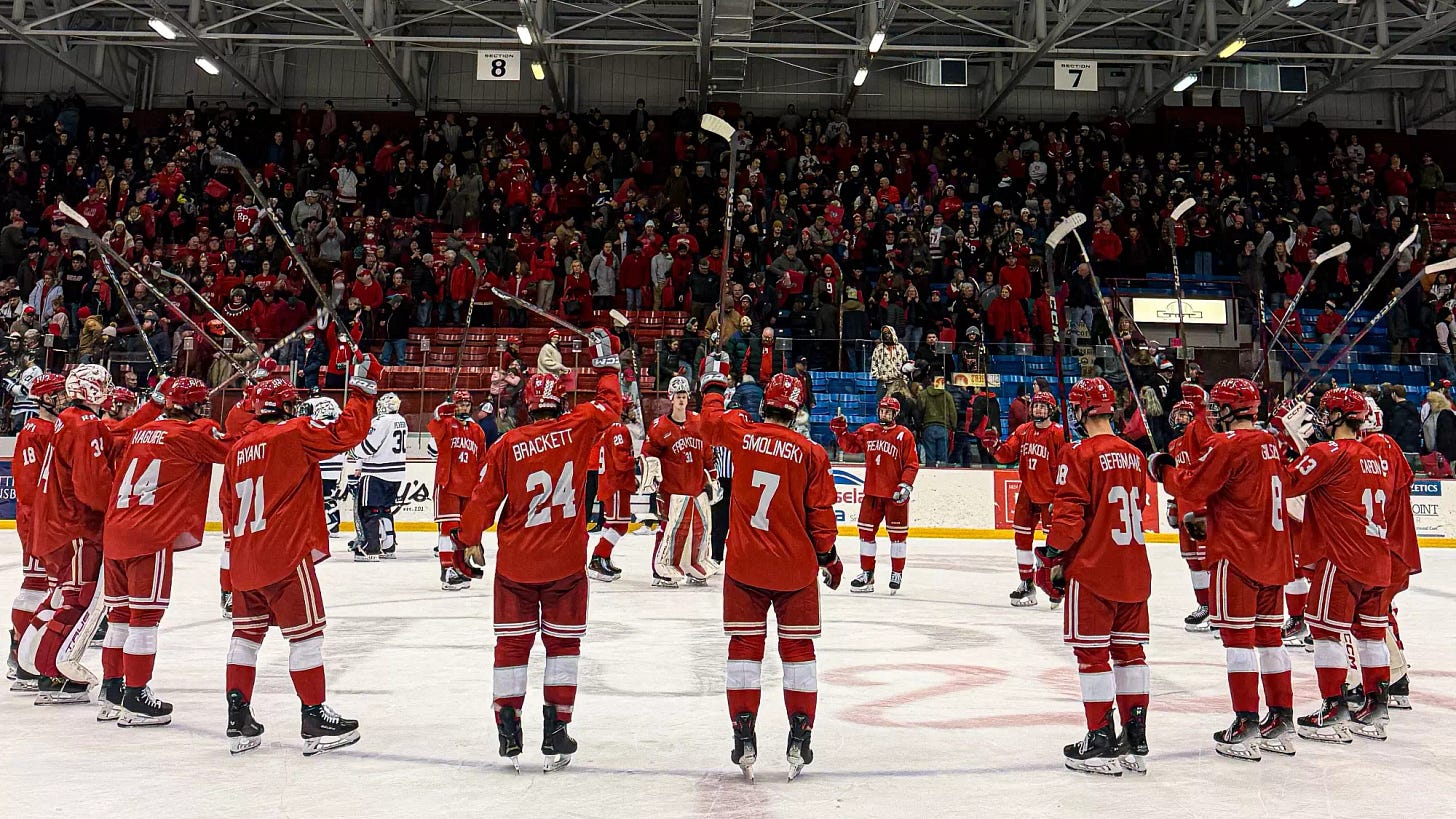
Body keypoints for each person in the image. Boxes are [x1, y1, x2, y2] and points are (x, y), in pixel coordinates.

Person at [453, 329, 623, 771]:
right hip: (565, 564)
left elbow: (483, 499)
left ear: (527, 404)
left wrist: (467, 541)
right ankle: (556, 731)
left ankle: (508, 731)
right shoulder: (579, 424)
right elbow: (612, 405)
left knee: (511, 647)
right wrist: (605, 359)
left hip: (517, 564)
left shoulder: (508, 443)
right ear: (560, 402)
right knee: (562, 648)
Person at [220, 357, 383, 756]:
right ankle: (314, 717)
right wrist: (362, 391)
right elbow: (345, 434)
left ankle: (237, 718)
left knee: (245, 636)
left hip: (245, 559)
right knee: (306, 637)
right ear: (288, 407)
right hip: (285, 554)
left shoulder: (236, 449)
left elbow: (227, 507)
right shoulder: (293, 432)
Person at [697, 361, 843, 780]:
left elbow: (709, 421)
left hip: (745, 566)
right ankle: (800, 731)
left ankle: (743, 731)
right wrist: (829, 559)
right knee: (798, 653)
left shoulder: (744, 434)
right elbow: (821, 518)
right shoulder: (812, 453)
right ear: (797, 412)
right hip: (795, 572)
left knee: (744, 648)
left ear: (764, 405)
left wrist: (713, 383)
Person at [1150, 378, 1296, 761]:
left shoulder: (1226, 444)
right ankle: (1281, 717)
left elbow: (1192, 486)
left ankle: (1245, 722)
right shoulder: (1270, 442)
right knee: (1270, 639)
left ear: (1232, 408)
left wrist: (1163, 470)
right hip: (1274, 554)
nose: (1215, 411)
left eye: (1219, 405)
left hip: (1238, 554)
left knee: (1238, 642)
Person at [22, 365, 161, 705]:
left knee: (64, 597)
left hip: (60, 525)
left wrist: (155, 407)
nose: (109, 388)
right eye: (104, 384)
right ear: (91, 389)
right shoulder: (83, 425)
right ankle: (51, 672)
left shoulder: (74, 420)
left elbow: (114, 435)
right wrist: (116, 511)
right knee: (77, 599)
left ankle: (34, 663)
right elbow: (91, 486)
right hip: (76, 527)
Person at [99, 377, 229, 726]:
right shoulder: (191, 434)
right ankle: (137, 696)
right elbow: (235, 449)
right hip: (150, 534)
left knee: (119, 617)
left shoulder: (141, 431)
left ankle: (111, 691)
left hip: (115, 530)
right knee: (144, 619)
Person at [1038, 377, 1151, 776]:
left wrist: (1052, 556)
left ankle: (1100, 739)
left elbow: (1069, 515)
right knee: (1130, 654)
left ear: (1080, 411)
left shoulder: (1078, 453)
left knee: (1092, 655)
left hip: (1093, 570)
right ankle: (1134, 739)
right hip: (1134, 570)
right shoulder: (1135, 455)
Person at [1277, 387, 1393, 743]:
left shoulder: (1327, 452)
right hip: (1377, 559)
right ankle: (1376, 707)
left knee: (1326, 632)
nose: (1322, 420)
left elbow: (1286, 484)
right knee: (1371, 633)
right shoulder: (1374, 455)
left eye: (1327, 414)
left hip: (1341, 557)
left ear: (1340, 417)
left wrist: (1284, 444)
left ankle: (1334, 707)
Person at [1356, 397, 1420, 710]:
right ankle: (1393, 676)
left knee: (1371, 615)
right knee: (1379, 613)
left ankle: (1393, 679)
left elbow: (1375, 495)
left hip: (1386, 545)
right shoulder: (1387, 444)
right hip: (1393, 544)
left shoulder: (1375, 447)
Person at [7, 372, 66, 691]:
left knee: (40, 584)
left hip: (41, 516)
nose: (63, 399)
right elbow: (33, 486)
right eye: (57, 394)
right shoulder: (37, 431)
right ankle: (20, 656)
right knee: (35, 585)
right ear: (43, 399)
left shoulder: (46, 428)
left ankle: (23, 653)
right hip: (37, 517)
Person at [830, 396, 920, 594]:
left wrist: (905, 485)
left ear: (895, 414)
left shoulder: (904, 435)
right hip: (872, 493)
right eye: (882, 410)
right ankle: (867, 574)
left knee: (897, 537)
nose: (884, 414)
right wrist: (841, 432)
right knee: (865, 534)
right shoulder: (869, 430)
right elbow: (851, 446)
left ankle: (897, 572)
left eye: (888, 412)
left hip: (895, 495)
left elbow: (912, 464)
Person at [641, 375, 717, 587]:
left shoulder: (698, 421)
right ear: (671, 398)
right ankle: (660, 569)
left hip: (695, 487)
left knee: (698, 530)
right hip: (671, 490)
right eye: (678, 396)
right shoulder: (659, 427)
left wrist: (713, 477)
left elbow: (707, 452)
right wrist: (651, 478)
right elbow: (648, 456)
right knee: (667, 528)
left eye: (684, 396)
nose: (682, 400)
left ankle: (694, 564)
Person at [992, 392, 1065, 607]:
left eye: (1044, 407)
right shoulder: (1023, 431)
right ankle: (1027, 583)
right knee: (1022, 540)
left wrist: (1062, 494)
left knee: (1056, 544)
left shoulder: (1058, 434)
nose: (1039, 410)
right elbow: (1006, 455)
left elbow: (1067, 466)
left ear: (1051, 410)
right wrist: (994, 445)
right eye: (1036, 406)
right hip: (1028, 493)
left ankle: (1058, 584)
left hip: (1051, 495)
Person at [428, 389, 487, 590]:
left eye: (466, 404)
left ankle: (459, 567)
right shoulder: (446, 425)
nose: (464, 407)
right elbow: (433, 434)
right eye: (460, 404)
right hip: (448, 485)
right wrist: (442, 413)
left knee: (463, 531)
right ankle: (447, 570)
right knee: (448, 528)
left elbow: (481, 460)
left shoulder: (477, 430)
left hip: (468, 489)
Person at [349, 391, 408, 560]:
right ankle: (389, 546)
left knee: (370, 510)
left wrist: (353, 451)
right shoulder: (401, 420)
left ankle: (370, 548)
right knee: (385, 510)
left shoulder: (380, 421)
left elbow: (367, 448)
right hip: (396, 475)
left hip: (376, 473)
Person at [588, 407, 636, 582]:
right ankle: (597, 558)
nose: (633, 413)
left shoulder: (608, 428)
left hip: (610, 483)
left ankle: (603, 558)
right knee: (620, 525)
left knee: (611, 524)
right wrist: (637, 460)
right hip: (617, 484)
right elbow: (621, 461)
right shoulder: (618, 429)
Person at [300, 398, 348, 536]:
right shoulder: (338, 425)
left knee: (321, 497)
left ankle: (329, 525)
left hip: (322, 466)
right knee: (330, 496)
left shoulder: (317, 425)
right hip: (336, 466)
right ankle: (334, 525)